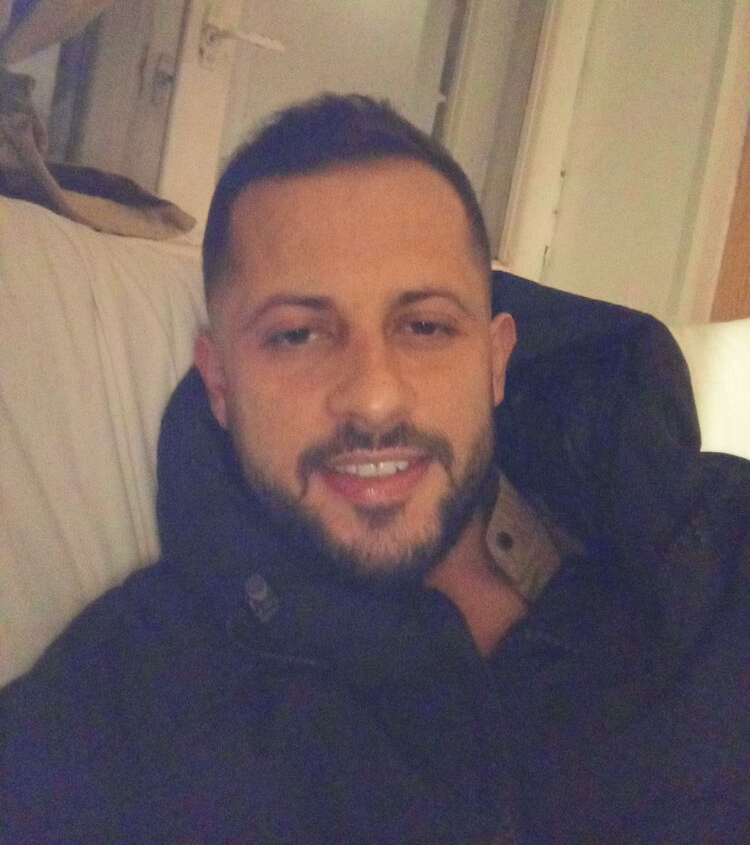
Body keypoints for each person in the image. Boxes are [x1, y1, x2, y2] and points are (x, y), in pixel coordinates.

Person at [2, 94, 748, 844]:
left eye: (424, 327)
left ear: (495, 361)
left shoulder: (717, 565)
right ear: (220, 383)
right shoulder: (125, 707)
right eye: (298, 335)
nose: (373, 398)